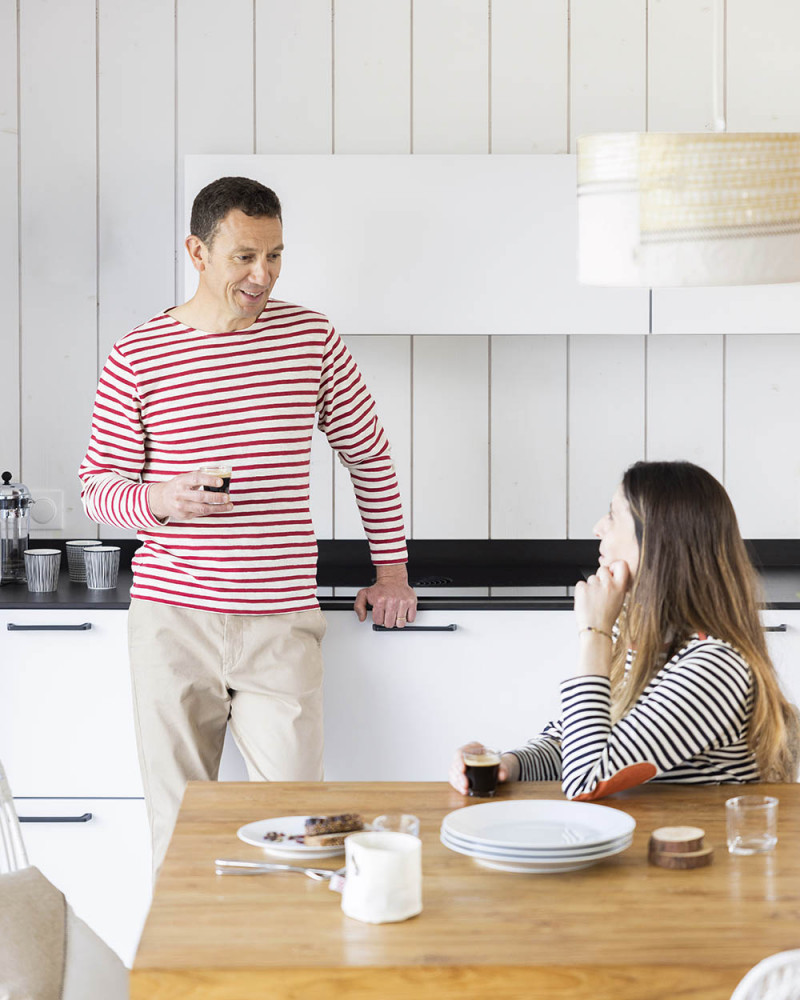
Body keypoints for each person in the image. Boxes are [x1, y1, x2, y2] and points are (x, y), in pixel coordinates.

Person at [79, 176, 417, 873]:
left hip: (279, 624)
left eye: (276, 255)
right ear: (197, 252)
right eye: (244, 257)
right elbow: (97, 489)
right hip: (172, 623)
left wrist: (391, 572)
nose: (262, 275)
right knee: (177, 836)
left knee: (300, 834)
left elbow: (369, 453)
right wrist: (161, 499)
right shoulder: (138, 354)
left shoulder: (311, 338)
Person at [450, 460, 799, 800]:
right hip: (639, 841)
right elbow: (576, 740)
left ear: (657, 542)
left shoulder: (715, 666)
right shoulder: (641, 636)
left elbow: (587, 781)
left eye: (614, 515)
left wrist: (594, 632)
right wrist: (510, 764)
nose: (597, 527)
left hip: (693, 851)